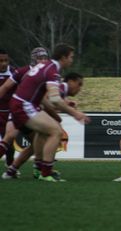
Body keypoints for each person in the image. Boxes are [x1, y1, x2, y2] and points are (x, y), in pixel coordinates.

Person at [9, 43, 90, 182]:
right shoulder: (52, 70)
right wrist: (76, 114)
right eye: (71, 57)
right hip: (24, 105)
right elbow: (55, 99)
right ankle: (45, 172)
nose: (72, 60)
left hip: (21, 103)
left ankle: (34, 168)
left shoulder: (47, 66)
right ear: (63, 57)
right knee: (56, 132)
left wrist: (57, 114)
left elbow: (44, 98)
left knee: (45, 132)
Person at [2, 72, 84, 179]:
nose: (80, 88)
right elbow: (46, 100)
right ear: (70, 81)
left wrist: (65, 105)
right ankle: (40, 169)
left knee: (35, 143)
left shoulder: (60, 89)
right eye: (79, 84)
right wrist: (58, 116)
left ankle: (12, 171)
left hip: (21, 110)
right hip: (26, 112)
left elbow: (48, 101)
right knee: (54, 134)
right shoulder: (61, 87)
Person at [0, 47, 49, 171]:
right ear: (33, 59)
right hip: (18, 111)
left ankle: (14, 169)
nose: (43, 61)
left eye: (45, 58)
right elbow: (5, 87)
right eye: (39, 58)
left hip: (27, 113)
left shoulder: (48, 73)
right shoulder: (23, 71)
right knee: (9, 138)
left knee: (38, 141)